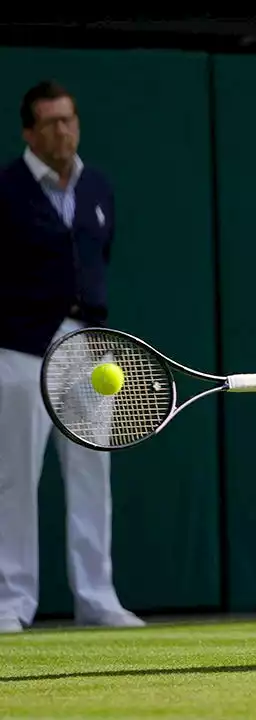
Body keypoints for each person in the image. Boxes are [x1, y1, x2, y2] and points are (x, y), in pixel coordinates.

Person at [0, 80, 144, 633]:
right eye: (51, 122)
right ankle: (12, 601)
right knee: (16, 477)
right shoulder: (6, 190)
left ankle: (97, 597)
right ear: (30, 133)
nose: (64, 130)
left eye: (70, 119)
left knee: (91, 471)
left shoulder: (99, 188)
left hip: (87, 348)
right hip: (19, 348)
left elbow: (99, 256)